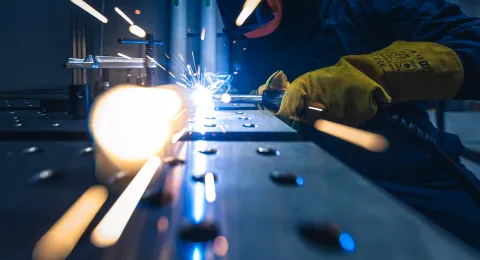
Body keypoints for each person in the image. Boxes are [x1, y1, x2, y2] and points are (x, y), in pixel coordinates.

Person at [216, 0, 480, 250]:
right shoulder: (243, 28)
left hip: (403, 172)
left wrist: (377, 72)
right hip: (298, 177)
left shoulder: (367, 5)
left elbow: (474, 40)